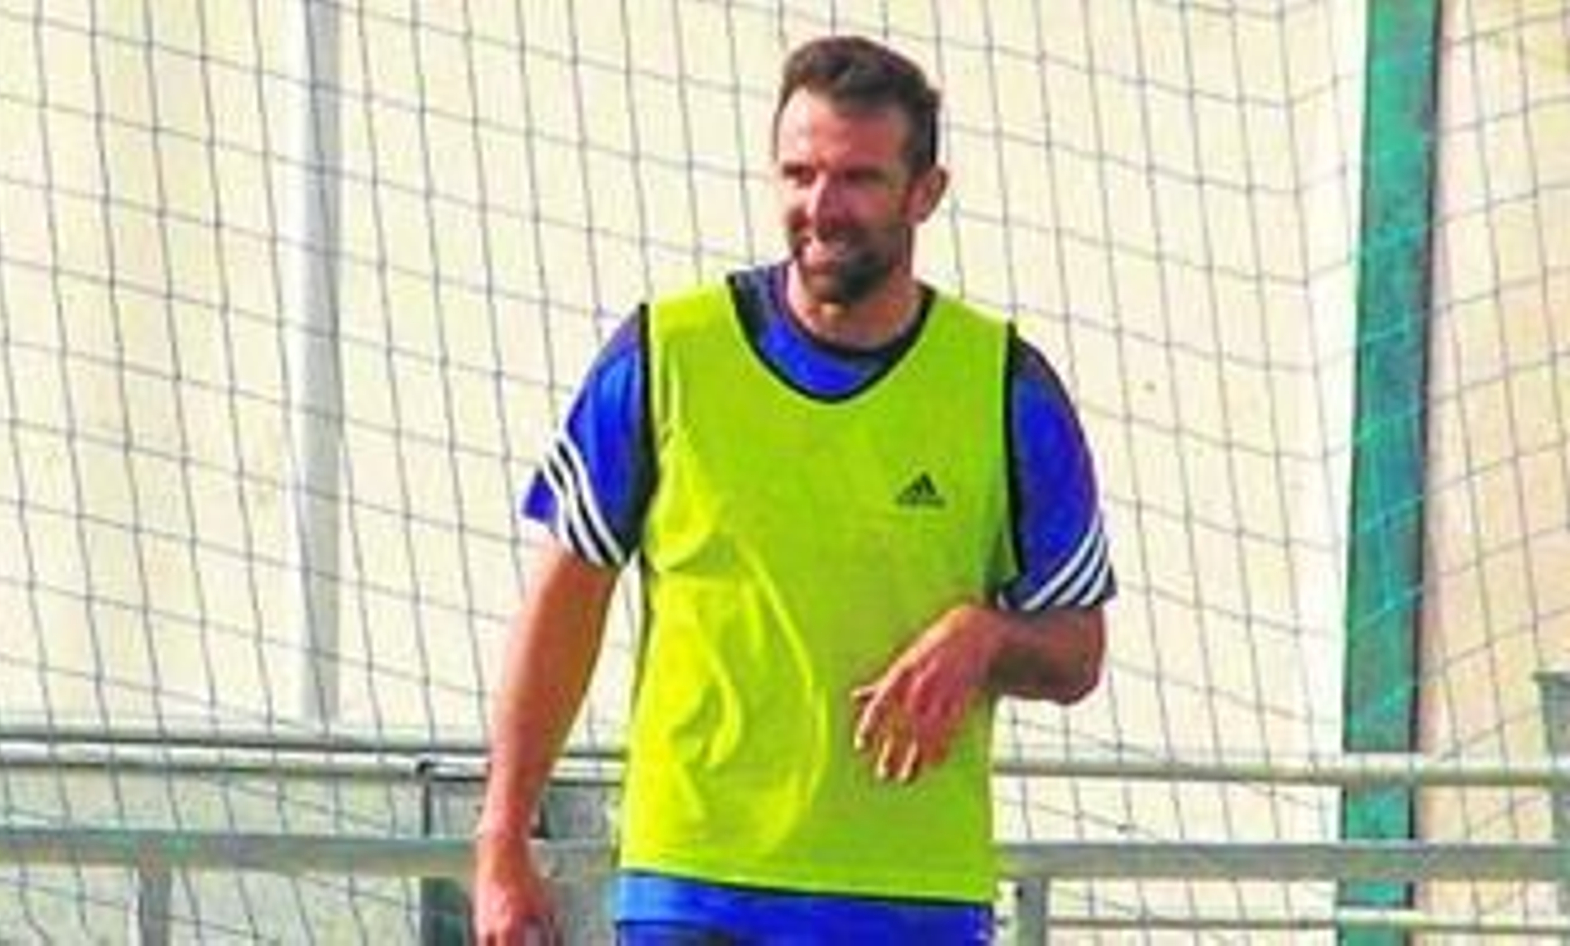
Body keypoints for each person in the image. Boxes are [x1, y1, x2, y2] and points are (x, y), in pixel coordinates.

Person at [473, 34, 1114, 945]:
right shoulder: (665, 355)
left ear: (926, 192)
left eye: (858, 179)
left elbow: (1078, 653)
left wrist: (985, 635)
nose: (822, 206)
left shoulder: (1006, 388)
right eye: (799, 174)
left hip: (909, 896)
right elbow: (564, 602)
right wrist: (502, 839)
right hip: (695, 888)